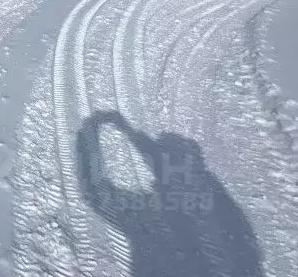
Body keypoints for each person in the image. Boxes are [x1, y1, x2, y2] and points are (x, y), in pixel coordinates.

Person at [76, 111, 263, 277]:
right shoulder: (220, 204)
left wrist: (88, 133)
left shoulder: (147, 213)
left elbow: (95, 192)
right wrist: (131, 133)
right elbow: (250, 253)